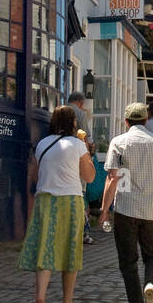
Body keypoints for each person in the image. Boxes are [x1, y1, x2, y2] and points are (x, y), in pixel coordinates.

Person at [19, 104, 96, 303]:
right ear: (73, 123)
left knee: (46, 250)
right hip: (70, 200)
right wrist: (86, 150)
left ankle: (40, 301)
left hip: (44, 199)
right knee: (70, 252)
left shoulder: (42, 144)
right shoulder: (77, 145)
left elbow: (34, 177)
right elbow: (89, 177)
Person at [104, 101, 153, 303]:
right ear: (146, 120)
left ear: (126, 121)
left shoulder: (119, 142)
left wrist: (104, 211)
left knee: (128, 261)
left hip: (126, 209)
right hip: (152, 208)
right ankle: (151, 285)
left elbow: (113, 178)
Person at [69, 89, 96, 245]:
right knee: (81, 194)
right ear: (80, 102)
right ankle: (83, 232)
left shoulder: (59, 109)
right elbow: (86, 136)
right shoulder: (80, 114)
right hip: (77, 156)